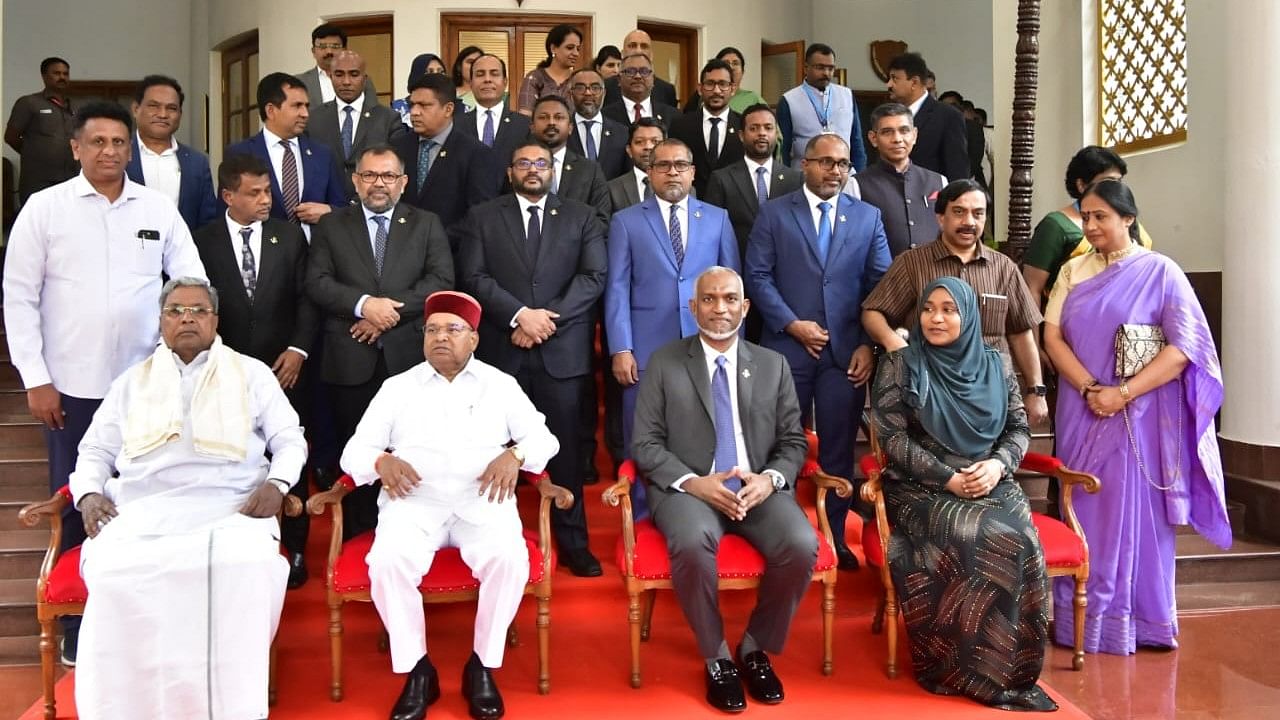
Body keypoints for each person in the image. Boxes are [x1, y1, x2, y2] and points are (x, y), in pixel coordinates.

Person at [3, 101, 207, 665]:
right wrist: (35, 379)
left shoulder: (157, 207)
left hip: (148, 382)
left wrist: (186, 346)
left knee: (149, 492)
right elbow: (17, 299)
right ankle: (77, 618)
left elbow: (190, 280)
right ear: (76, 148)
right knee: (77, 497)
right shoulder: (45, 210)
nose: (109, 152)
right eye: (97, 143)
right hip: (70, 383)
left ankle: (142, 608)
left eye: (119, 143)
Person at [68, 276, 308, 720]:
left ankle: (228, 707)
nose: (187, 319)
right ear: (161, 321)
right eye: (176, 311)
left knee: (246, 566)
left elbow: (290, 439)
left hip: (230, 508)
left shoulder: (251, 373)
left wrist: (277, 485)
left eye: (198, 310)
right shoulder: (131, 382)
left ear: (215, 320)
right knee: (112, 571)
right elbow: (95, 450)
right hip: (143, 509)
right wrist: (87, 495)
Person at [342, 290, 559, 720]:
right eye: (433, 329)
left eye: (453, 329)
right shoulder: (396, 388)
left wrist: (514, 455)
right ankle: (417, 669)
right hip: (414, 504)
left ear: (474, 339)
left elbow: (545, 440)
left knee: (510, 559)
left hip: (482, 502)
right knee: (387, 561)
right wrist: (380, 460)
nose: (441, 337)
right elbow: (353, 451)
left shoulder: (500, 385)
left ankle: (481, 664)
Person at [1042, 179, 1229, 654]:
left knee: (1137, 513)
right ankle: (1076, 624)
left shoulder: (1161, 271)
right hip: (1082, 410)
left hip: (1139, 415)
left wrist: (1121, 394)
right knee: (1085, 506)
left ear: (1128, 219)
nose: (1091, 225)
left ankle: (1144, 622)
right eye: (1085, 216)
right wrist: (1089, 388)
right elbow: (1053, 337)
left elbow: (1186, 348)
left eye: (1101, 216)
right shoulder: (1071, 271)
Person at [869, 276, 1056, 712]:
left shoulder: (996, 364)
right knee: (973, 534)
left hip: (991, 479)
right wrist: (945, 477)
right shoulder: (900, 364)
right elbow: (892, 438)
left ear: (968, 316)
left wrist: (998, 465)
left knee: (1023, 539)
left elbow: (1017, 428)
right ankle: (954, 666)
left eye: (949, 309)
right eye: (929, 308)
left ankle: (1012, 670)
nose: (936, 318)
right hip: (921, 487)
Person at [632, 266, 814, 713]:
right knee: (693, 543)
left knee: (801, 543)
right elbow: (645, 442)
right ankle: (717, 656)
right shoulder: (664, 361)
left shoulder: (772, 364)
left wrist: (769, 480)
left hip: (756, 489)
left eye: (730, 299)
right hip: (689, 490)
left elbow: (794, 440)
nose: (720, 308)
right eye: (709, 299)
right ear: (693, 307)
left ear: (745, 307)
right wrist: (694, 482)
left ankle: (754, 648)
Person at [458, 139, 608, 577]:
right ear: (510, 171)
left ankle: (573, 543)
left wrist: (545, 321)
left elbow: (593, 276)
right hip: (502, 353)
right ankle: (491, 544)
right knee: (488, 451)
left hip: (560, 353)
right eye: (523, 162)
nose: (533, 169)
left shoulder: (580, 217)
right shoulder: (483, 217)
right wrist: (520, 316)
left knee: (561, 452)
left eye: (541, 163)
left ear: (552, 170)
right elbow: (473, 276)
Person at [746, 133, 891, 567]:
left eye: (843, 163)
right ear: (804, 164)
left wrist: (867, 343)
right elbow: (757, 276)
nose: (835, 171)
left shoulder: (867, 216)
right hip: (785, 348)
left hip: (846, 353)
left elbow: (880, 286)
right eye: (825, 162)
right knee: (780, 445)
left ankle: (834, 538)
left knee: (838, 448)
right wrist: (792, 323)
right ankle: (781, 536)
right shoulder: (774, 213)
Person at [307, 145, 454, 539]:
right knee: (358, 454)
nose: (379, 184)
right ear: (355, 181)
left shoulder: (426, 224)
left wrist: (385, 312)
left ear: (403, 182)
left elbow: (441, 280)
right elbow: (317, 282)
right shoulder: (332, 226)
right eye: (369, 175)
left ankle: (415, 536)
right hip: (349, 358)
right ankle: (359, 539)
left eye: (388, 176)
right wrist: (362, 305)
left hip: (408, 357)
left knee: (414, 450)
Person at [194, 152, 319, 588]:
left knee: (290, 452)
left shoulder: (288, 237)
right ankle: (237, 540)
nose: (266, 200)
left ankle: (298, 546)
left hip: (285, 367)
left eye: (267, 191)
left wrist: (299, 349)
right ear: (229, 195)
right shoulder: (201, 240)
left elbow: (307, 298)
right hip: (223, 368)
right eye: (255, 193)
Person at [862, 179, 1050, 426]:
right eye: (959, 212)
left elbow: (1020, 333)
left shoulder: (1004, 267)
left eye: (978, 214)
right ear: (941, 218)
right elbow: (872, 312)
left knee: (991, 464)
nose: (969, 222)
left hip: (990, 396)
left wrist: (1035, 390)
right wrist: (893, 342)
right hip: (929, 394)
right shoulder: (912, 263)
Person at [605, 139, 739, 453]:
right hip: (646, 348)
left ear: (693, 172)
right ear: (650, 173)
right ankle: (639, 503)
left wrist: (734, 345)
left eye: (680, 165)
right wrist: (621, 348)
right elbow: (617, 288)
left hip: (707, 342)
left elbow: (734, 288)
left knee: (704, 436)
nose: (672, 172)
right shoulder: (625, 220)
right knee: (643, 436)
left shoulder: (718, 218)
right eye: (663, 165)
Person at [703, 103, 803, 342]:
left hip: (783, 284)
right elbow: (711, 236)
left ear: (776, 134)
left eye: (768, 128)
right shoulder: (722, 178)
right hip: (737, 282)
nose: (761, 133)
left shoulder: (794, 178)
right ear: (741, 135)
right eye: (754, 128)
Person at [224, 72, 349, 240]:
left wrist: (329, 212)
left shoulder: (322, 154)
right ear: (271, 110)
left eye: (306, 105)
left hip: (313, 256)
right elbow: (228, 213)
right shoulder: (240, 153)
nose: (305, 113)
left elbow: (342, 207)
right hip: (263, 255)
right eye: (297, 106)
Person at [1022, 145, 1154, 304]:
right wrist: (1035, 330)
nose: (1114, 188)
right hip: (1066, 319)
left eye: (1118, 182)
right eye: (1108, 181)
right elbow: (1032, 288)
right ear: (1082, 185)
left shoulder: (1129, 224)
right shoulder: (1056, 226)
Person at [393, 72, 502, 256]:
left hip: (452, 256)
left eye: (425, 105)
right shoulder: (397, 148)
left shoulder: (475, 153)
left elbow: (480, 213)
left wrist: (436, 241)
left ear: (448, 109)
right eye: (412, 105)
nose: (414, 112)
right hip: (401, 255)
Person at [122, 75, 221, 230]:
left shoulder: (196, 163)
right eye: (154, 106)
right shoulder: (118, 156)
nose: (162, 114)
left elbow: (207, 222)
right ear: (136, 109)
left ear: (180, 114)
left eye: (171, 108)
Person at [848, 102, 946, 257]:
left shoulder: (939, 181)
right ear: (873, 138)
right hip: (883, 277)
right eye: (887, 132)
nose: (897, 139)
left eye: (904, 131)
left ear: (914, 135)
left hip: (933, 275)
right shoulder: (856, 185)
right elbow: (852, 241)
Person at [307, 50, 408, 199]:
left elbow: (395, 171)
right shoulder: (314, 119)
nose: (346, 82)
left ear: (365, 78)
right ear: (330, 76)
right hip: (324, 211)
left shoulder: (388, 119)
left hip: (371, 207)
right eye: (339, 74)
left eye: (354, 74)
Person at [777, 43, 867, 171]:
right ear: (805, 68)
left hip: (843, 174)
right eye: (820, 67)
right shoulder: (789, 100)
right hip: (804, 176)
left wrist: (860, 177)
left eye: (830, 68)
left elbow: (857, 141)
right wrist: (785, 179)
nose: (826, 73)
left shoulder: (846, 95)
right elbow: (783, 149)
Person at [5, 56, 79, 204]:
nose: (62, 77)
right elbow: (11, 137)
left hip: (70, 180)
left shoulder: (74, 107)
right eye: (56, 73)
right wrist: (35, 153)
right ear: (44, 76)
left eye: (65, 74)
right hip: (39, 181)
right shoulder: (29, 103)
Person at [885, 52, 968, 183]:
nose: (889, 85)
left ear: (914, 82)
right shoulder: (889, 116)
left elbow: (957, 170)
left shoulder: (947, 116)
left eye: (894, 79)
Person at [529, 94, 612, 223]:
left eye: (559, 117)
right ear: (532, 127)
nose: (551, 122)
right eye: (543, 117)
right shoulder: (520, 167)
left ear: (570, 128)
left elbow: (601, 219)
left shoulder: (590, 170)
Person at [669, 59, 744, 198]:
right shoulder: (680, 125)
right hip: (691, 203)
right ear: (700, 88)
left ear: (732, 89)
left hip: (734, 206)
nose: (716, 90)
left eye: (723, 84)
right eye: (710, 84)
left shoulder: (743, 125)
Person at [456, 54, 532, 180]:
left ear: (505, 82)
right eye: (480, 74)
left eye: (494, 74)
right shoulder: (456, 124)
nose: (487, 79)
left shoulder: (524, 125)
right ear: (470, 83)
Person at [297, 22, 376, 110]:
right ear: (313, 51)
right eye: (322, 46)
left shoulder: (363, 80)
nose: (329, 51)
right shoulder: (299, 82)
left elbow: (373, 112)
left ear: (344, 50)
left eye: (335, 46)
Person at [567, 68, 629, 180]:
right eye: (580, 88)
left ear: (604, 93)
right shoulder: (562, 131)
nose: (588, 93)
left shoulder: (622, 133)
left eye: (595, 88)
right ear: (571, 94)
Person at [516, 23, 583, 116]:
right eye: (570, 48)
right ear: (553, 48)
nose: (576, 53)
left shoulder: (579, 79)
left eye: (578, 49)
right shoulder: (535, 78)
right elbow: (524, 118)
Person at [603, 30, 679, 108]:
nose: (638, 51)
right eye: (632, 46)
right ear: (622, 54)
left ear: (651, 55)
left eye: (644, 46)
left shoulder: (666, 90)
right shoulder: (605, 87)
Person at [602, 53, 678, 130]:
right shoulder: (604, 116)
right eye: (630, 71)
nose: (638, 76)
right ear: (619, 79)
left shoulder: (673, 116)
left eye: (644, 71)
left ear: (653, 79)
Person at [607, 117, 666, 211]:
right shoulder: (612, 189)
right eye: (639, 142)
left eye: (655, 142)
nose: (648, 147)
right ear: (629, 150)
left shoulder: (683, 187)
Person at [392, 53, 447, 125]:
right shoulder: (398, 109)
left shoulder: (457, 107)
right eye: (430, 72)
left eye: (441, 72)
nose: (436, 76)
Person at [452, 44, 484, 111]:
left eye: (478, 62)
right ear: (459, 67)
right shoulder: (448, 93)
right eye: (470, 62)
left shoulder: (488, 94)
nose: (474, 65)